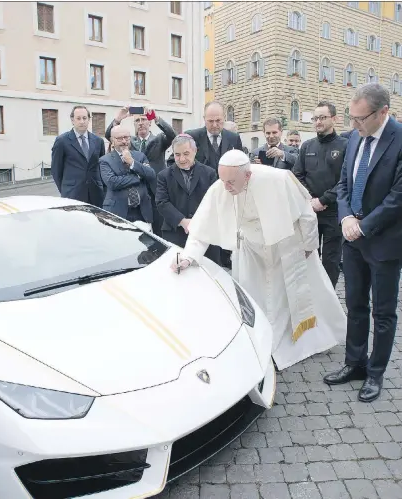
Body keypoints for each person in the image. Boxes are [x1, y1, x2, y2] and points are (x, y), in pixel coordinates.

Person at [171, 149, 346, 370]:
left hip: (285, 246)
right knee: (254, 299)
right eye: (223, 180)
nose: (226, 187)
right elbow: (200, 228)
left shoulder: (279, 179)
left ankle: (299, 344)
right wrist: (188, 257)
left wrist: (309, 246)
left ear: (248, 175)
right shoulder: (222, 186)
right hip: (251, 250)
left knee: (288, 298)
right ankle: (263, 343)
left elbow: (306, 214)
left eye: (231, 182)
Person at [323, 83, 402, 402]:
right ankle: (354, 363)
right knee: (355, 305)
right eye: (350, 118)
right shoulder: (354, 137)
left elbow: (398, 196)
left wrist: (363, 225)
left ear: (383, 112)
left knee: (383, 312)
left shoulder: (399, 139)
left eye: (360, 119)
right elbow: (343, 184)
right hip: (352, 237)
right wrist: (345, 218)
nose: (353, 125)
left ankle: (375, 373)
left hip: (384, 242)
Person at [293, 101, 348, 288]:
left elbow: (345, 181)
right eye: (315, 118)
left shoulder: (345, 146)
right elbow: (297, 175)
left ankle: (329, 298)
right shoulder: (307, 146)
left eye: (322, 117)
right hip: (310, 212)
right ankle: (312, 295)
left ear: (334, 119)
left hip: (333, 213)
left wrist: (324, 200)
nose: (318, 122)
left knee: (331, 262)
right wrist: (310, 199)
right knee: (309, 257)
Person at [105, 106, 175, 236]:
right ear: (134, 124)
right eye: (137, 120)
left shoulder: (159, 139)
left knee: (158, 227)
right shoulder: (129, 141)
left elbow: (172, 135)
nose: (141, 123)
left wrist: (156, 118)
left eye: (144, 119)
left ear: (149, 123)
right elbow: (110, 135)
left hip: (155, 190)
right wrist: (117, 119)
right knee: (138, 229)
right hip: (136, 191)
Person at [156, 134, 220, 265]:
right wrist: (182, 221)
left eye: (186, 153)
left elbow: (215, 202)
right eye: (177, 154)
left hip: (205, 233)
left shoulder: (210, 173)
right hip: (175, 233)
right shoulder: (164, 175)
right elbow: (162, 202)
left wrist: (198, 222)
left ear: (195, 151)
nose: (182, 159)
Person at [100, 125, 156, 231]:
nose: (124, 141)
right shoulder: (105, 160)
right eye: (120, 138)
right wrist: (138, 177)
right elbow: (112, 183)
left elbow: (151, 175)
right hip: (117, 211)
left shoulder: (140, 156)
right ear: (112, 140)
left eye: (126, 137)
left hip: (142, 212)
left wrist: (132, 162)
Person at [51, 106, 105, 207]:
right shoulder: (62, 141)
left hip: (96, 194)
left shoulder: (98, 141)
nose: (82, 121)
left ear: (89, 120)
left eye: (84, 118)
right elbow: (56, 170)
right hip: (72, 194)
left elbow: (101, 168)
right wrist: (66, 190)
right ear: (72, 120)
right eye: (78, 118)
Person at [166, 101, 243, 171]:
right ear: (204, 119)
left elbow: (242, 164)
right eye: (210, 121)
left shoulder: (234, 138)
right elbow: (172, 162)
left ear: (224, 118)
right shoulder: (191, 137)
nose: (214, 125)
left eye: (218, 120)